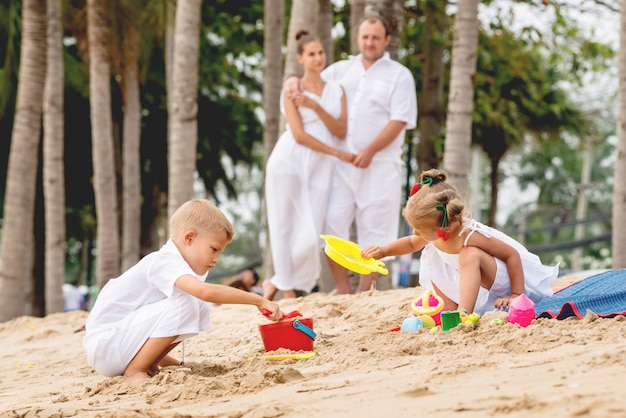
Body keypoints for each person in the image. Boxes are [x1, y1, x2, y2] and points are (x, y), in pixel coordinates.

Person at [285, 15, 418, 294]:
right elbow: (311, 81)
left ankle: (365, 290)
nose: (369, 43)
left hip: (381, 165)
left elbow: (400, 119)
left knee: (375, 228)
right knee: (332, 221)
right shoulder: (339, 71)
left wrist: (371, 150)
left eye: (375, 38)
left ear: (387, 40)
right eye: (365, 37)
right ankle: (343, 288)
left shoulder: (400, 75)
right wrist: (292, 81)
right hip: (341, 165)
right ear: (358, 38)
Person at [83, 199, 284, 380]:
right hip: (106, 346)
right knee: (189, 301)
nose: (216, 259)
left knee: (196, 303)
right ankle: (136, 370)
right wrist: (258, 300)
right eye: (214, 249)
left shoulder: (179, 265)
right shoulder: (163, 261)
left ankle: (153, 360)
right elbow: (205, 291)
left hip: (118, 345)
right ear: (189, 238)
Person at [360, 169, 559, 315]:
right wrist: (383, 251)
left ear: (444, 228)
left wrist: (516, 293)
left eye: (420, 229)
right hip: (476, 279)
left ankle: (464, 312)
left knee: (468, 253)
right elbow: (411, 243)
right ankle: (450, 308)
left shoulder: (469, 235)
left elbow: (511, 255)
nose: (414, 232)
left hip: (502, 279)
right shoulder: (435, 232)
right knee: (431, 255)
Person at [263, 30, 356, 301]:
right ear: (300, 58)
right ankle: (288, 290)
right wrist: (336, 154)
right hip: (289, 160)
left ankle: (277, 281)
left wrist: (314, 106)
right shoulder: (291, 88)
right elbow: (299, 134)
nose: (318, 58)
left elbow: (339, 129)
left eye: (320, 52)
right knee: (283, 223)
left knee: (312, 227)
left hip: (319, 164)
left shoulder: (336, 90)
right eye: (311, 54)